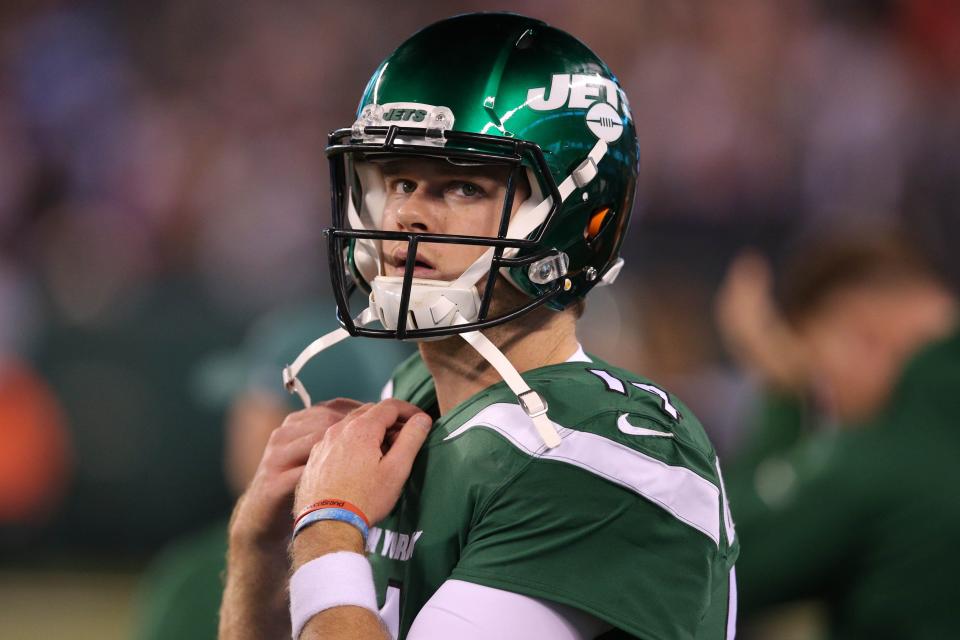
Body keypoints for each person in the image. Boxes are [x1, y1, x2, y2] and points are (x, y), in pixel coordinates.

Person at [219, 13, 738, 640]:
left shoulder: (605, 459)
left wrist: (328, 525)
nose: (407, 212)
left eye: (461, 186)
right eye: (400, 180)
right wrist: (257, 545)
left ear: (571, 220)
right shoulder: (415, 395)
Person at [725, 233, 960, 638]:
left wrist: (785, 396)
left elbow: (712, 561)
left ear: (864, 336)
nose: (825, 401)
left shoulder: (891, 455)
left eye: (819, 376)